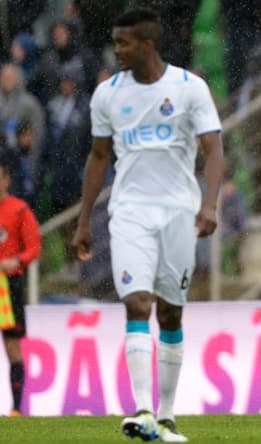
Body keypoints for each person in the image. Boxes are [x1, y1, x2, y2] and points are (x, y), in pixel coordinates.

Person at [71, 8, 224, 442]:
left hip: (179, 212)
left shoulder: (190, 88)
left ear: (148, 44)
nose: (116, 50)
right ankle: (142, 411)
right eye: (115, 42)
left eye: (124, 43)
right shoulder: (106, 94)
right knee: (137, 303)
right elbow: (99, 157)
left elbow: (213, 149)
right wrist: (84, 221)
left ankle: (168, 413)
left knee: (171, 312)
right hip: (130, 213)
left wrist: (209, 205)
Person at [0, 156, 42, 416]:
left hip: (9, 285)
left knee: (13, 347)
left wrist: (17, 260)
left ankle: (16, 408)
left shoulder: (19, 210)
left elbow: (34, 247)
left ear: (6, 180)